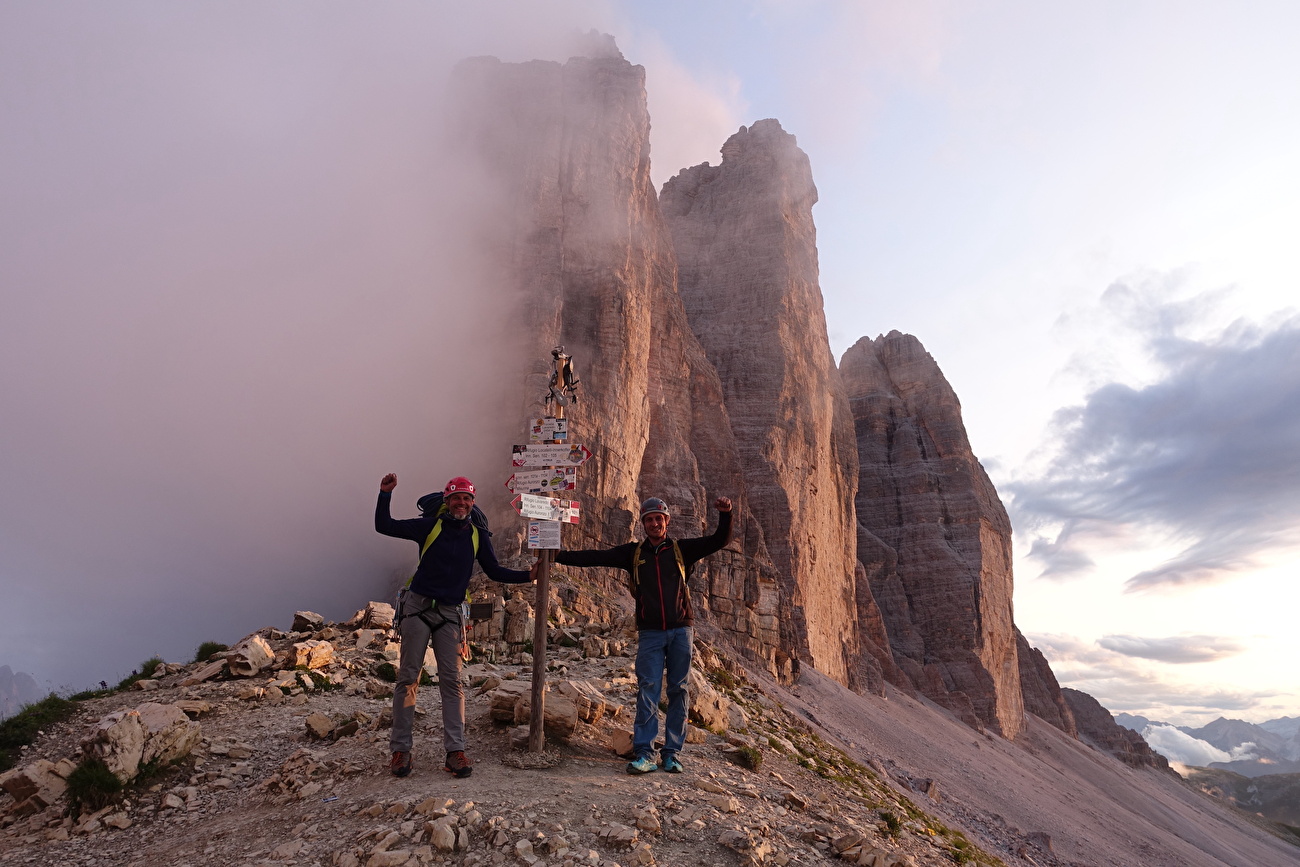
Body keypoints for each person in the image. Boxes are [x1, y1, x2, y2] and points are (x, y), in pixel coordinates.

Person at [555, 494, 733, 774]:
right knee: (647, 690)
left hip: (680, 630)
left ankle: (672, 753)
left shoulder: (680, 549)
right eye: (649, 519)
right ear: (643, 523)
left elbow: (718, 541)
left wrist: (726, 514)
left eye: (658, 519)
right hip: (650, 632)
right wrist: (558, 555)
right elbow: (596, 558)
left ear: (667, 522)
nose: (654, 523)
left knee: (679, 690)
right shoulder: (633, 553)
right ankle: (645, 753)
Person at [375, 473, 537, 778]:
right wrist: (385, 494)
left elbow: (494, 570)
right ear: (447, 502)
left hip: (449, 613)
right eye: (455, 498)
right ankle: (400, 751)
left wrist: (528, 576)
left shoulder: (477, 535)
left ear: (472, 503)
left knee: (453, 682)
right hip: (418, 608)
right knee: (409, 677)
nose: (461, 502)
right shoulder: (430, 526)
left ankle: (455, 751)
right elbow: (384, 526)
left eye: (466, 498)